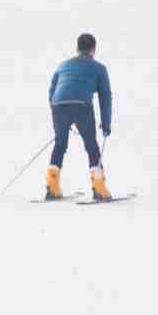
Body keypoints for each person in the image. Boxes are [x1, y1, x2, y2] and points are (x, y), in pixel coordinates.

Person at [46, 33, 114, 202]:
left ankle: (52, 187)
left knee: (60, 144)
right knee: (91, 146)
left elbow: (51, 92)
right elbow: (105, 96)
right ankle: (99, 188)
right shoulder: (99, 68)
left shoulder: (62, 66)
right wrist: (106, 124)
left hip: (59, 105)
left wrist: (59, 120)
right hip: (82, 105)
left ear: (77, 48)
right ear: (93, 49)